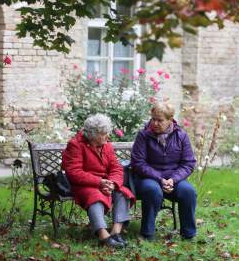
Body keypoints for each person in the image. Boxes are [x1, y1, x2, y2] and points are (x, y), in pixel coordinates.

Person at [62, 114, 135, 248]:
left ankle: (115, 233)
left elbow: (117, 168)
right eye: (104, 134)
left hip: (106, 183)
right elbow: (74, 173)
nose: (108, 137)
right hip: (84, 185)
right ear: (93, 135)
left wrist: (112, 183)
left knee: (123, 192)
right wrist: (99, 182)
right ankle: (103, 236)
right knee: (95, 197)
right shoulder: (76, 145)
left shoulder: (106, 145)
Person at [131, 102, 197, 240]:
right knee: (153, 190)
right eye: (153, 119)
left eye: (160, 120)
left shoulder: (181, 136)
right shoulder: (143, 136)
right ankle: (147, 233)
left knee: (188, 191)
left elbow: (188, 163)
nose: (155, 123)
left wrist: (173, 180)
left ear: (170, 119)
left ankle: (188, 234)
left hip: (174, 179)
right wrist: (160, 179)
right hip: (148, 178)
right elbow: (138, 163)